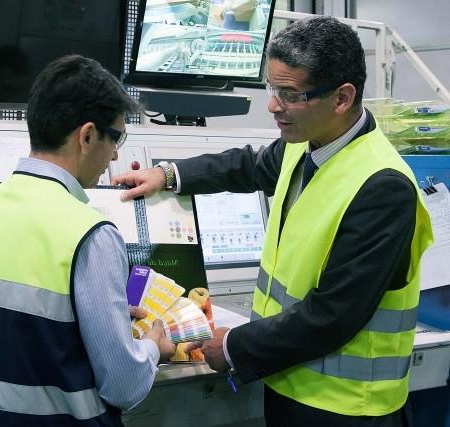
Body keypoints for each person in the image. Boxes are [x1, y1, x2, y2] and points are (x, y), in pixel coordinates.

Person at [112, 15, 433, 427]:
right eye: (271, 88)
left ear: (342, 98)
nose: (273, 105)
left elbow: (332, 314)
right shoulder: (308, 145)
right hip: (289, 385)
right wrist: (169, 175)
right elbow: (248, 165)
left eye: (290, 94)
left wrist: (233, 347)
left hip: (347, 409)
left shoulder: (382, 187)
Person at [0, 55, 175, 426]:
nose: (114, 155)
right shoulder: (91, 234)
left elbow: (9, 334)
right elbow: (124, 385)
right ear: (87, 136)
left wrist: (88, 321)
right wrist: (151, 349)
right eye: (116, 138)